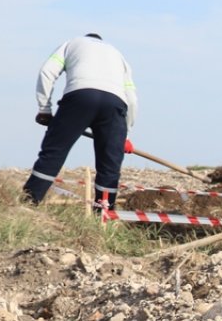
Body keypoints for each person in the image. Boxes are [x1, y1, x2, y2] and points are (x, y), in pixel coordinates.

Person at [21, 33, 136, 210]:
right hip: (115, 103)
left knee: (54, 152)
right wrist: (125, 135)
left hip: (80, 96)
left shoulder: (71, 44)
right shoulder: (117, 54)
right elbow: (132, 99)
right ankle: (103, 215)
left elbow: (47, 72)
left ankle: (29, 203)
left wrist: (44, 109)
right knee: (110, 165)